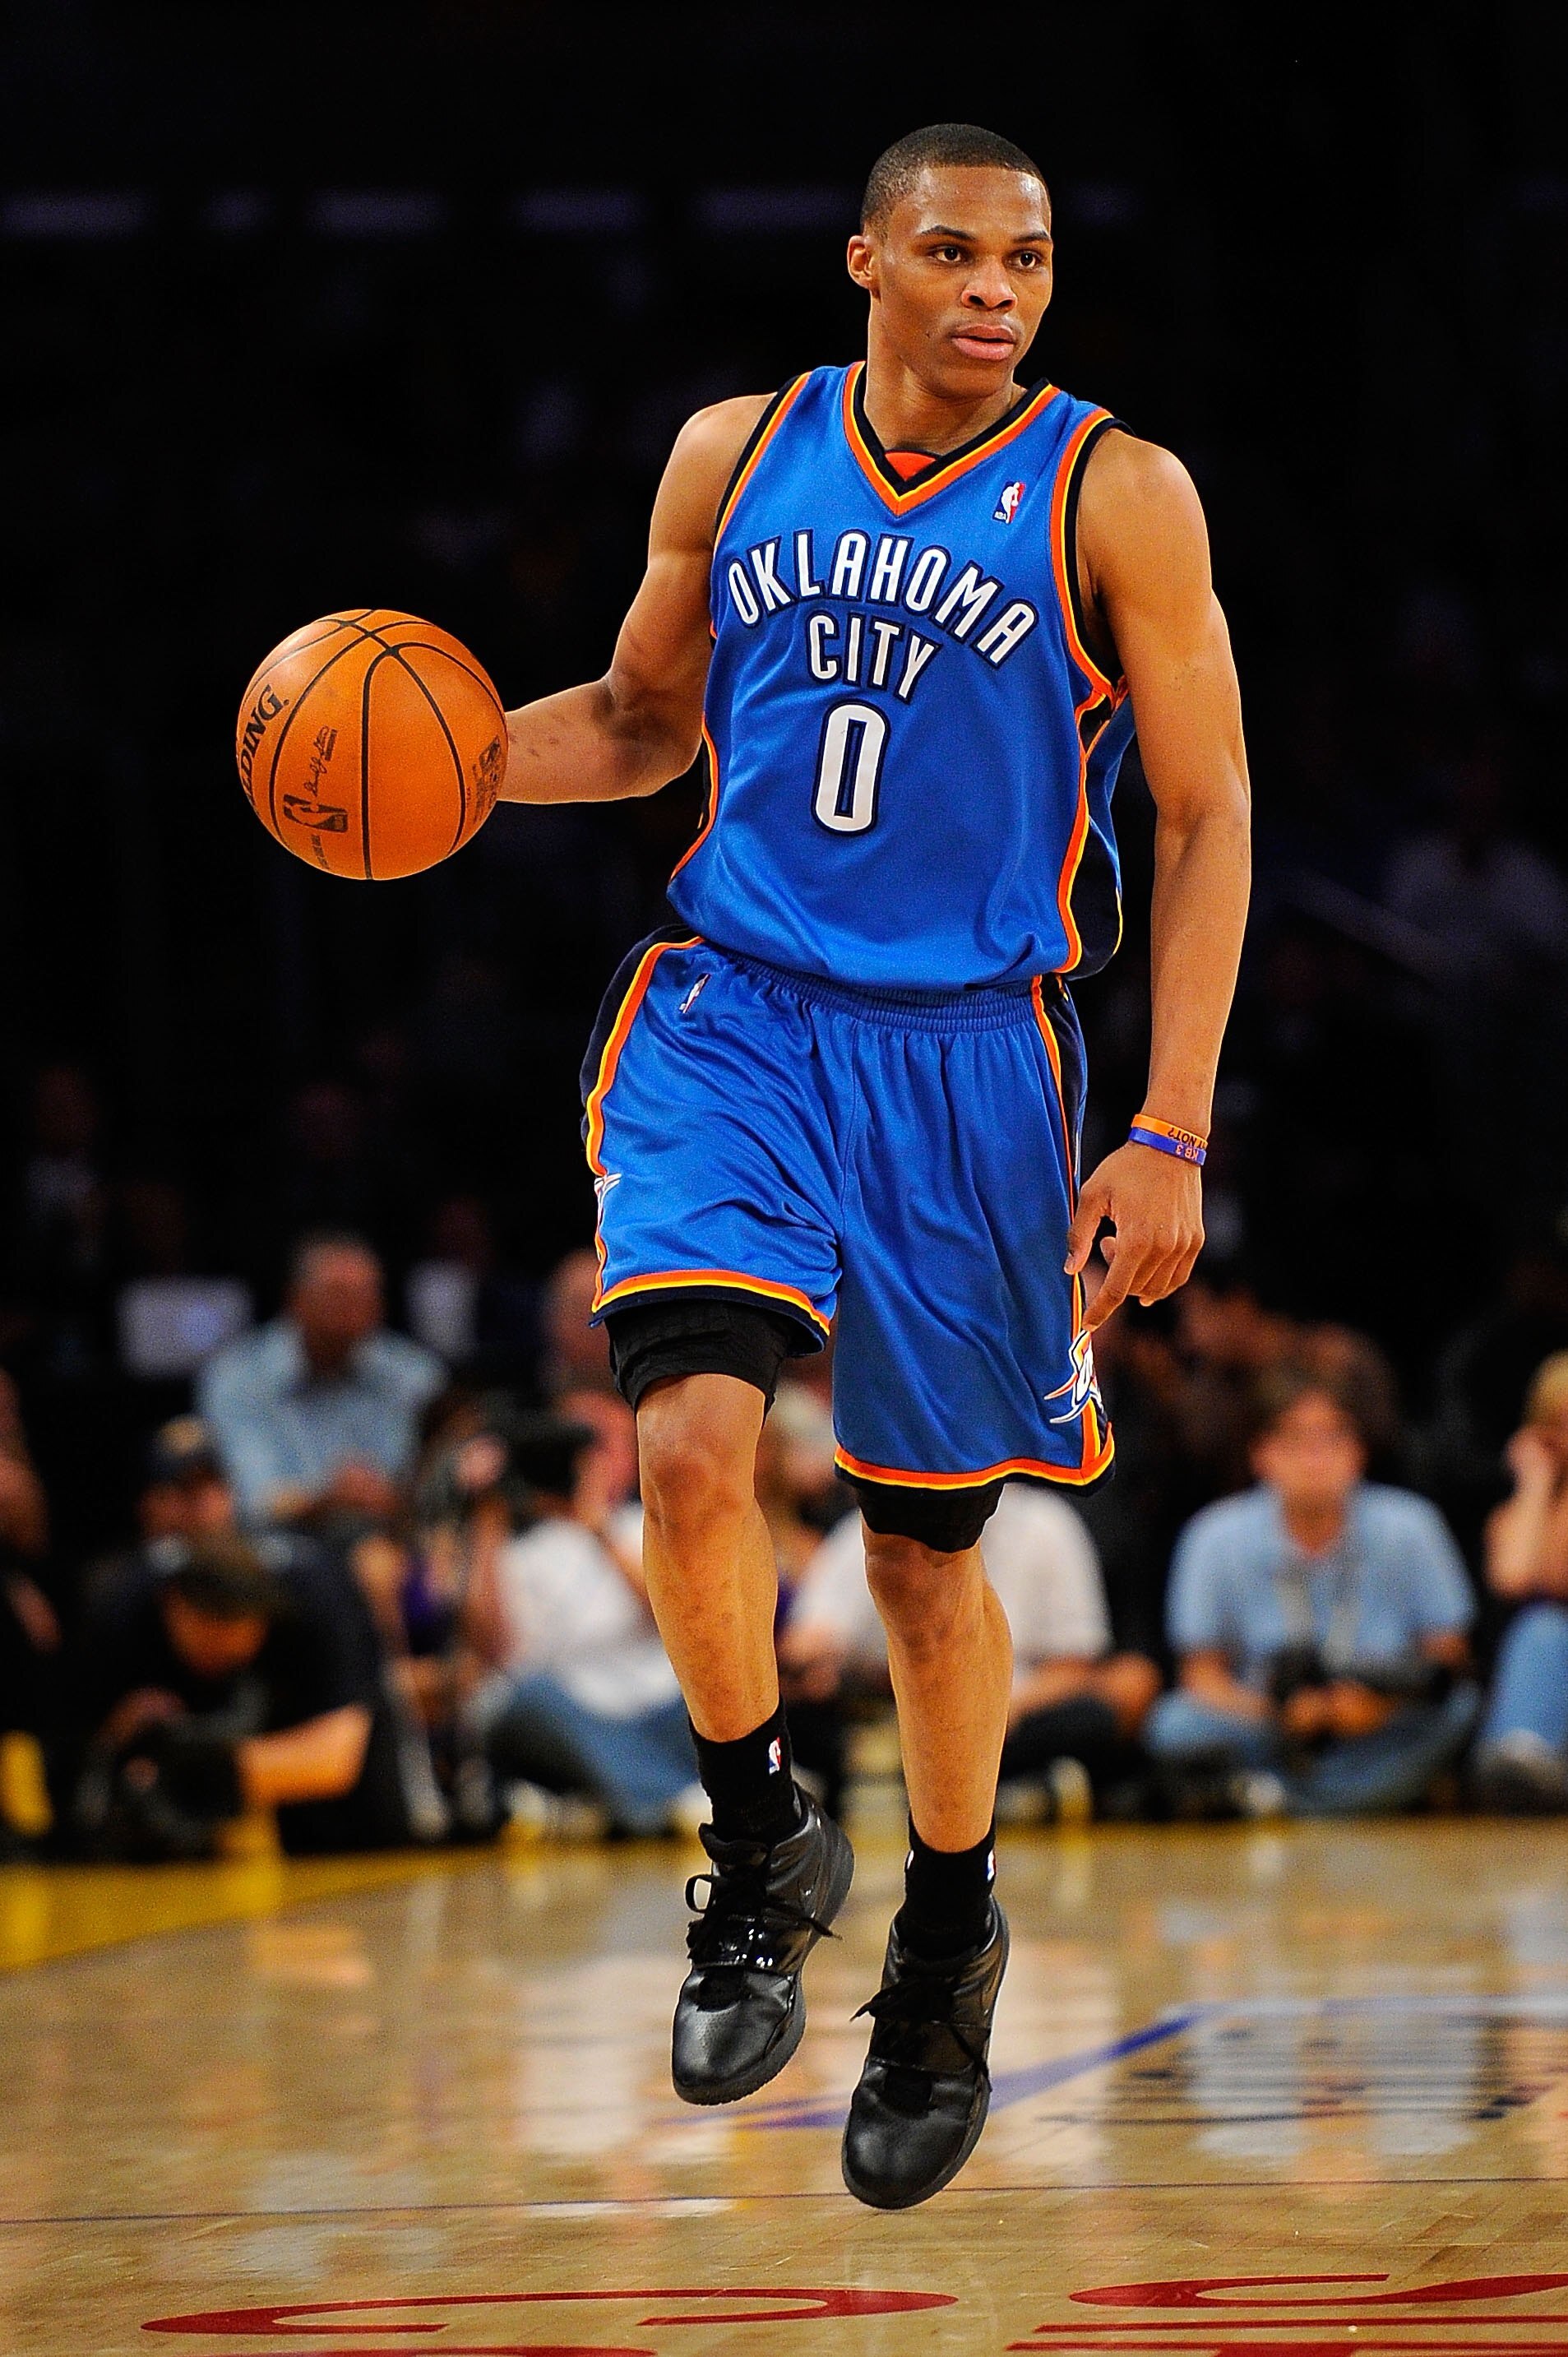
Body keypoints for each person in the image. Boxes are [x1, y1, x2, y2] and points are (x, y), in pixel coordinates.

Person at [493, 122, 1250, 2207]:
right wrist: (464, 759)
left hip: (970, 1059)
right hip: (732, 1009)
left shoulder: (1117, 491)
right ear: (863, 262)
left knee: (924, 1559)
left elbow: (1200, 819)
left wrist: (1166, 1122)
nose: (996, 289)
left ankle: (942, 1935)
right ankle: (757, 1836)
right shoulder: (732, 454)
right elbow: (646, 721)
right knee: (687, 1447)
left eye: (1026, 259)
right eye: (952, 252)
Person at [1145, 1369, 1478, 1815]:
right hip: (1267, 1717)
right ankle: (1343, 1796)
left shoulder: (1410, 1526)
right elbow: (1201, 1674)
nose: (1316, 1459)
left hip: (1380, 1712)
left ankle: (1277, 1800)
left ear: (1359, 1451)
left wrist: (1379, 1705)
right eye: (1298, 1441)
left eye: (1332, 1439)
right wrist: (1277, 1712)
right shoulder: (1214, 1535)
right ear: (1262, 1454)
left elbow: (1448, 1653)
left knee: (1458, 1709)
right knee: (1175, 1724)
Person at [783, 1482, 1159, 1818]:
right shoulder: (872, 1525)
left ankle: (967, 1783)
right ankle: (981, 1785)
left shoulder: (1047, 1526)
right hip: (887, 1709)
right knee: (789, 1705)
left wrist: (1002, 1709)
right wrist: (814, 1668)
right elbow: (810, 1638)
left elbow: (1074, 1665)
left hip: (1007, 1712)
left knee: (1093, 1715)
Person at [71, 1516, 413, 1859]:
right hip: (159, 1839)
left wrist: (199, 1772)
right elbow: (85, 1741)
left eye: (232, 1646)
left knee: (360, 1832)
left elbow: (337, 1757)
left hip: (327, 1801)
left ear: (264, 1621)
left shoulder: (320, 1595)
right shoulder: (119, 1607)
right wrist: (127, 1739)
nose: (220, 1656)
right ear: (172, 1605)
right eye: (208, 1642)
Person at [464, 1411, 700, 1837]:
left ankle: (608, 1804)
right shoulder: (521, 1554)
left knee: (713, 1686)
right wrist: (488, 1520)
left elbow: (674, 1615)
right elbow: (494, 1652)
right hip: (577, 1715)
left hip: (662, 1706)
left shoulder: (639, 1524)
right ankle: (666, 1802)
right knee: (518, 1702)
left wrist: (599, 1528)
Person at [197, 1232, 444, 1533]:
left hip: (394, 1542)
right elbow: (255, 1502)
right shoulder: (237, 1377)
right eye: (338, 1295)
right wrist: (328, 1499)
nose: (353, 1310)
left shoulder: (416, 1374)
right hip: (280, 1555)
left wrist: (391, 1497)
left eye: (366, 1295)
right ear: (295, 1299)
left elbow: (435, 1485)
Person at [1469, 1353, 1568, 1810]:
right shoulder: (1522, 1510)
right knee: (1541, 1630)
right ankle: (1521, 1756)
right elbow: (1513, 1576)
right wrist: (1534, 1481)